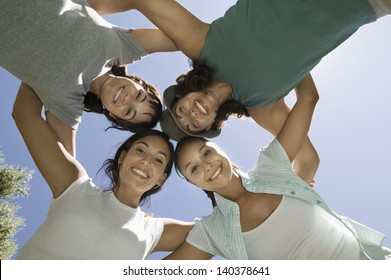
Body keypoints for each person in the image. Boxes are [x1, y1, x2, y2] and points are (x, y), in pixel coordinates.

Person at [130, 0, 391, 182]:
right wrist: (289, 193)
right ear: (211, 123)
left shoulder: (200, 44)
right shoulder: (261, 106)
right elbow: (308, 160)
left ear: (183, 94)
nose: (192, 114)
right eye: (193, 125)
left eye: (180, 111)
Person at [166, 73, 390, 260]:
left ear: (221, 151)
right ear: (193, 183)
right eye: (193, 169)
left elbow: (308, 98)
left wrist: (292, 51)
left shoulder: (271, 165)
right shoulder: (211, 231)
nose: (206, 166)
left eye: (207, 153)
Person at [12, 83, 193, 259]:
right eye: (140, 150)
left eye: (158, 160)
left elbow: (217, 231)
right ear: (122, 157)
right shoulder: (75, 186)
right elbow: (25, 114)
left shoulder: (154, 231)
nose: (146, 161)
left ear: (161, 179)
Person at [0, 0, 179, 157]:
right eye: (139, 96)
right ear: (138, 82)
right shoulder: (123, 47)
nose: (128, 99)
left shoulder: (67, 105)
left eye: (129, 111)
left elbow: (65, 167)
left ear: (113, 115)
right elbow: (187, 37)